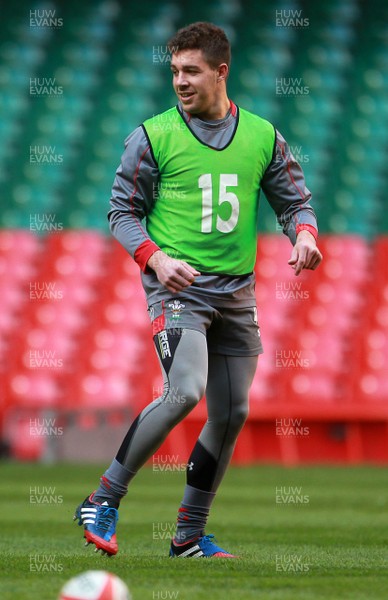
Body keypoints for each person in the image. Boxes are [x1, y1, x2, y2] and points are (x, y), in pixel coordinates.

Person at [74, 21, 322, 558]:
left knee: (231, 413)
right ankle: (102, 499)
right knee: (184, 389)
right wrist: (156, 259)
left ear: (220, 72)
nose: (180, 81)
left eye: (191, 71)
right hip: (178, 289)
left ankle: (188, 535)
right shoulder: (152, 135)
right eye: (174, 72)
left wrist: (304, 234)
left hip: (237, 294)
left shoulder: (261, 135)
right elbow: (122, 212)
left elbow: (294, 202)